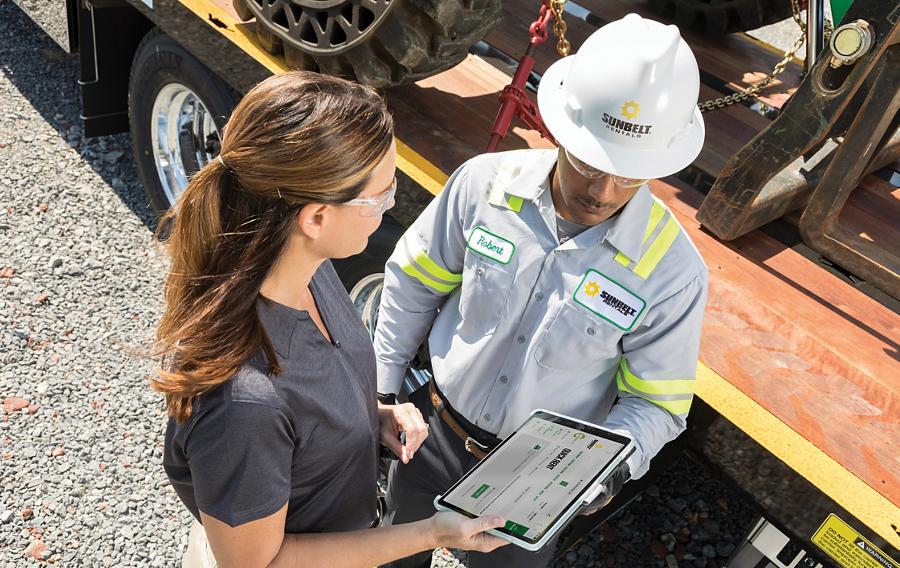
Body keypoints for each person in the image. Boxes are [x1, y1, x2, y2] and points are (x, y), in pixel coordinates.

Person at [374, 13, 709, 568]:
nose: (604, 192)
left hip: (536, 481)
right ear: (563, 133)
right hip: (431, 435)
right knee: (390, 556)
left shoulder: (672, 272)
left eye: (629, 175)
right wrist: (383, 390)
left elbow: (656, 403)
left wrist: (601, 471)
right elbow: (413, 284)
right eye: (589, 163)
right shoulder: (484, 185)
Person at [151, 71, 508, 568]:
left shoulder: (310, 271)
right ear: (316, 218)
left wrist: (370, 418)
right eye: (380, 196)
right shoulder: (243, 404)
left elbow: (310, 410)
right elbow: (261, 564)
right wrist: (429, 533)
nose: (389, 206)